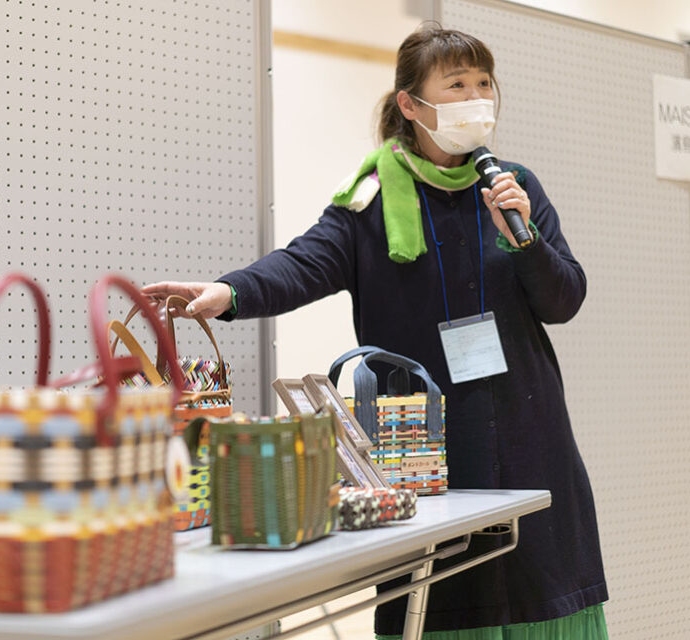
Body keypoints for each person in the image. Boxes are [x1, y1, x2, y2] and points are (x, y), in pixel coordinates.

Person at [143, 23, 608, 640]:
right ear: (410, 105)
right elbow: (302, 265)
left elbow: (564, 298)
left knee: (541, 594)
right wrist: (228, 293)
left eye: (483, 83)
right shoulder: (369, 200)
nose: (476, 98)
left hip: (529, 436)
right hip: (422, 447)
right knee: (440, 604)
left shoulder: (513, 186)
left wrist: (525, 241)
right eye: (457, 85)